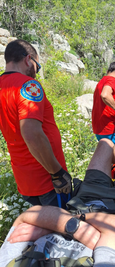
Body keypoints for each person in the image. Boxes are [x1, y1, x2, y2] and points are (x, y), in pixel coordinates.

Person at [0, 138, 115, 266]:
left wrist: (72, 227)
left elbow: (29, 215)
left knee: (105, 144)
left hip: (82, 205)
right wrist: (61, 224)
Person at [0, 39, 72, 208]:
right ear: (28, 59)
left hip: (24, 179)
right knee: (63, 229)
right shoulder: (28, 85)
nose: (36, 73)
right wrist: (57, 173)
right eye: (37, 67)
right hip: (46, 179)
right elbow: (32, 134)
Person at [92, 61, 115, 148]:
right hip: (109, 128)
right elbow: (105, 95)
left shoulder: (102, 81)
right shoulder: (111, 80)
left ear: (108, 71)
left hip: (99, 128)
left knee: (108, 157)